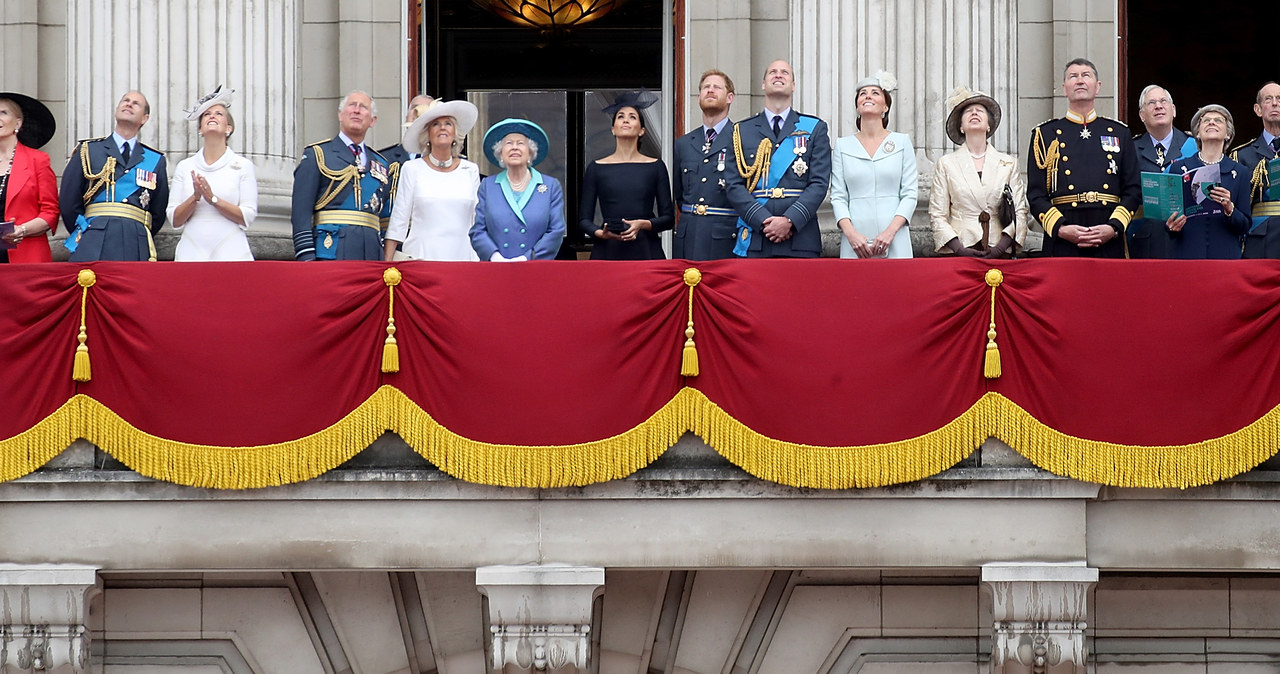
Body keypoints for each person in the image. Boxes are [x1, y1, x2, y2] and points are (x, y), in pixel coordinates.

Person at [1026, 58, 1140, 258]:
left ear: (1098, 87)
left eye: (1086, 75)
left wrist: (1113, 227)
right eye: (1073, 77)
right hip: (1063, 235)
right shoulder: (1045, 135)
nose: (1080, 80)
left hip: (1107, 231)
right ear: (1064, 88)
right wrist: (1060, 228)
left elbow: (1132, 190)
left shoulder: (1119, 133)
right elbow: (1036, 194)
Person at [724, 59, 831, 258]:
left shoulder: (814, 128)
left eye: (785, 72)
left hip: (800, 237)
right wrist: (763, 220)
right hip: (757, 236)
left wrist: (790, 220)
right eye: (773, 72)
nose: (778, 75)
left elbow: (819, 183)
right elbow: (733, 185)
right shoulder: (741, 130)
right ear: (763, 84)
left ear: (793, 86)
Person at [61, 90, 169, 261]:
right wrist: (86, 230)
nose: (129, 104)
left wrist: (136, 229)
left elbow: (158, 210)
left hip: (136, 240)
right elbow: (69, 200)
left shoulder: (155, 160)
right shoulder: (88, 150)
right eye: (125, 100)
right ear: (116, 110)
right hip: (93, 239)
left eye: (136, 103)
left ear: (144, 118)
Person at [928, 87, 1029, 258]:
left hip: (999, 247)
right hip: (961, 246)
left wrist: (1000, 248)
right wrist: (959, 248)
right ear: (961, 126)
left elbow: (1020, 211)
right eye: (968, 111)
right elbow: (937, 213)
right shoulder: (946, 164)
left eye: (980, 110)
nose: (974, 112)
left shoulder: (1008, 163)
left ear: (989, 125)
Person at [291, 90, 392, 261]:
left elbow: (384, 220)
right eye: (352, 105)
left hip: (371, 254)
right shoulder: (318, 155)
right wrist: (306, 256)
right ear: (340, 114)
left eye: (363, 107)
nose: (357, 110)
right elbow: (301, 212)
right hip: (330, 251)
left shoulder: (382, 163)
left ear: (373, 121)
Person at [830, 71, 917, 258]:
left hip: (895, 236)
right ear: (857, 105)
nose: (868, 96)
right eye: (863, 93)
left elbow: (910, 194)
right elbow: (838, 196)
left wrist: (890, 232)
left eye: (875, 92)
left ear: (885, 106)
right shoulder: (842, 146)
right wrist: (851, 234)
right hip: (855, 240)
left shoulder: (901, 142)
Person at [166, 86, 259, 261]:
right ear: (200, 129)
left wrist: (212, 199)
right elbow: (174, 220)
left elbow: (247, 216)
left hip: (231, 251)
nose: (212, 116)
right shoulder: (185, 167)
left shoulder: (243, 166)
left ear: (228, 128)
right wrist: (195, 197)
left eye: (219, 113)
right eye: (207, 114)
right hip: (191, 251)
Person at [579, 91, 673, 260]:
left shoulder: (656, 166)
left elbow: (668, 218)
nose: (626, 120)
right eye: (620, 116)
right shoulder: (596, 168)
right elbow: (584, 220)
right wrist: (601, 233)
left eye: (632, 117)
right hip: (608, 249)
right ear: (613, 129)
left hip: (646, 248)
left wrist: (643, 224)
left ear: (642, 130)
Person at [384, 99, 481, 261]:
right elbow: (398, 222)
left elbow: (476, 220)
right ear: (427, 134)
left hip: (463, 259)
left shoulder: (470, 170)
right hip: (421, 258)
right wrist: (387, 266)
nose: (442, 127)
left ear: (455, 133)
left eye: (448, 123)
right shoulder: (412, 168)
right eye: (435, 124)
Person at [470, 117, 565, 261]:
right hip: (496, 268)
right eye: (508, 143)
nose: (514, 147)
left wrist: (528, 258)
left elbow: (556, 231)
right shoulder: (488, 186)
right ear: (501, 153)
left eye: (520, 143)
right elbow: (478, 231)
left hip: (535, 268)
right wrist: (494, 256)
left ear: (530, 152)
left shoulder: (550, 186)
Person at [1163, 105, 1250, 259]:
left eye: (1218, 120)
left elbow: (1244, 225)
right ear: (1197, 133)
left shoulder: (1240, 172)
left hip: (1225, 257)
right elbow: (1168, 220)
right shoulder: (1179, 169)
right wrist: (1171, 227)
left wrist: (1230, 209)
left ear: (1228, 134)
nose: (1212, 123)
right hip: (1187, 254)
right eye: (1206, 121)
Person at [672, 69, 738, 260]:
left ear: (729, 97)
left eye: (717, 87)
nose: (710, 90)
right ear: (698, 96)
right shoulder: (684, 143)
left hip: (725, 237)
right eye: (706, 87)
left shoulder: (740, 139)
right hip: (689, 236)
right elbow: (680, 195)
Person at [1129, 85, 1195, 259]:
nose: (1158, 106)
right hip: (1146, 237)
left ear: (1173, 110)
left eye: (1163, 101)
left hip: (1187, 236)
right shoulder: (1131, 149)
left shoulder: (1194, 146)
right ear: (1142, 115)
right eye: (1151, 103)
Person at [0, 92, 58, 263]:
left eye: (3, 113)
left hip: (24, 255)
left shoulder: (37, 160)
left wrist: (22, 230)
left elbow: (50, 212)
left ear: (18, 122)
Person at [1231, 81, 1280, 258]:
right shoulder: (1242, 155)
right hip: (1260, 236)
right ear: (1258, 109)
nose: (1275, 103)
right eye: (1268, 99)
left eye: (1279, 99)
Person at [379, 94, 433, 203]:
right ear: (406, 116)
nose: (418, 111)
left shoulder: (446, 161)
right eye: (414, 108)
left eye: (425, 108)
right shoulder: (383, 159)